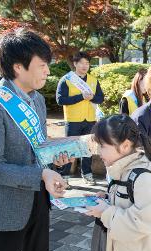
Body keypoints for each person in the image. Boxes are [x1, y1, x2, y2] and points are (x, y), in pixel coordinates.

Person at [0, 29, 68, 251]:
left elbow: (39, 144)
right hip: (5, 208)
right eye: (42, 65)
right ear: (17, 67)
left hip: (39, 200)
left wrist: (56, 157)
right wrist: (42, 174)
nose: (47, 71)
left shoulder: (37, 99)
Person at [85, 114, 151, 251]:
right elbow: (130, 201)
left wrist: (105, 212)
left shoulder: (144, 177)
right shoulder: (125, 169)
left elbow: (141, 222)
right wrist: (108, 199)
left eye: (102, 146)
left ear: (124, 146)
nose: (98, 152)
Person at [56, 51, 105, 185]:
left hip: (90, 119)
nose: (85, 66)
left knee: (88, 149)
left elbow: (100, 98)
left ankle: (87, 175)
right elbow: (60, 100)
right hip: (73, 120)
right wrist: (81, 97)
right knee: (69, 149)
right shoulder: (67, 79)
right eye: (82, 63)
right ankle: (64, 177)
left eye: (87, 63)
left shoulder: (93, 80)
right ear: (75, 63)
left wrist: (92, 97)